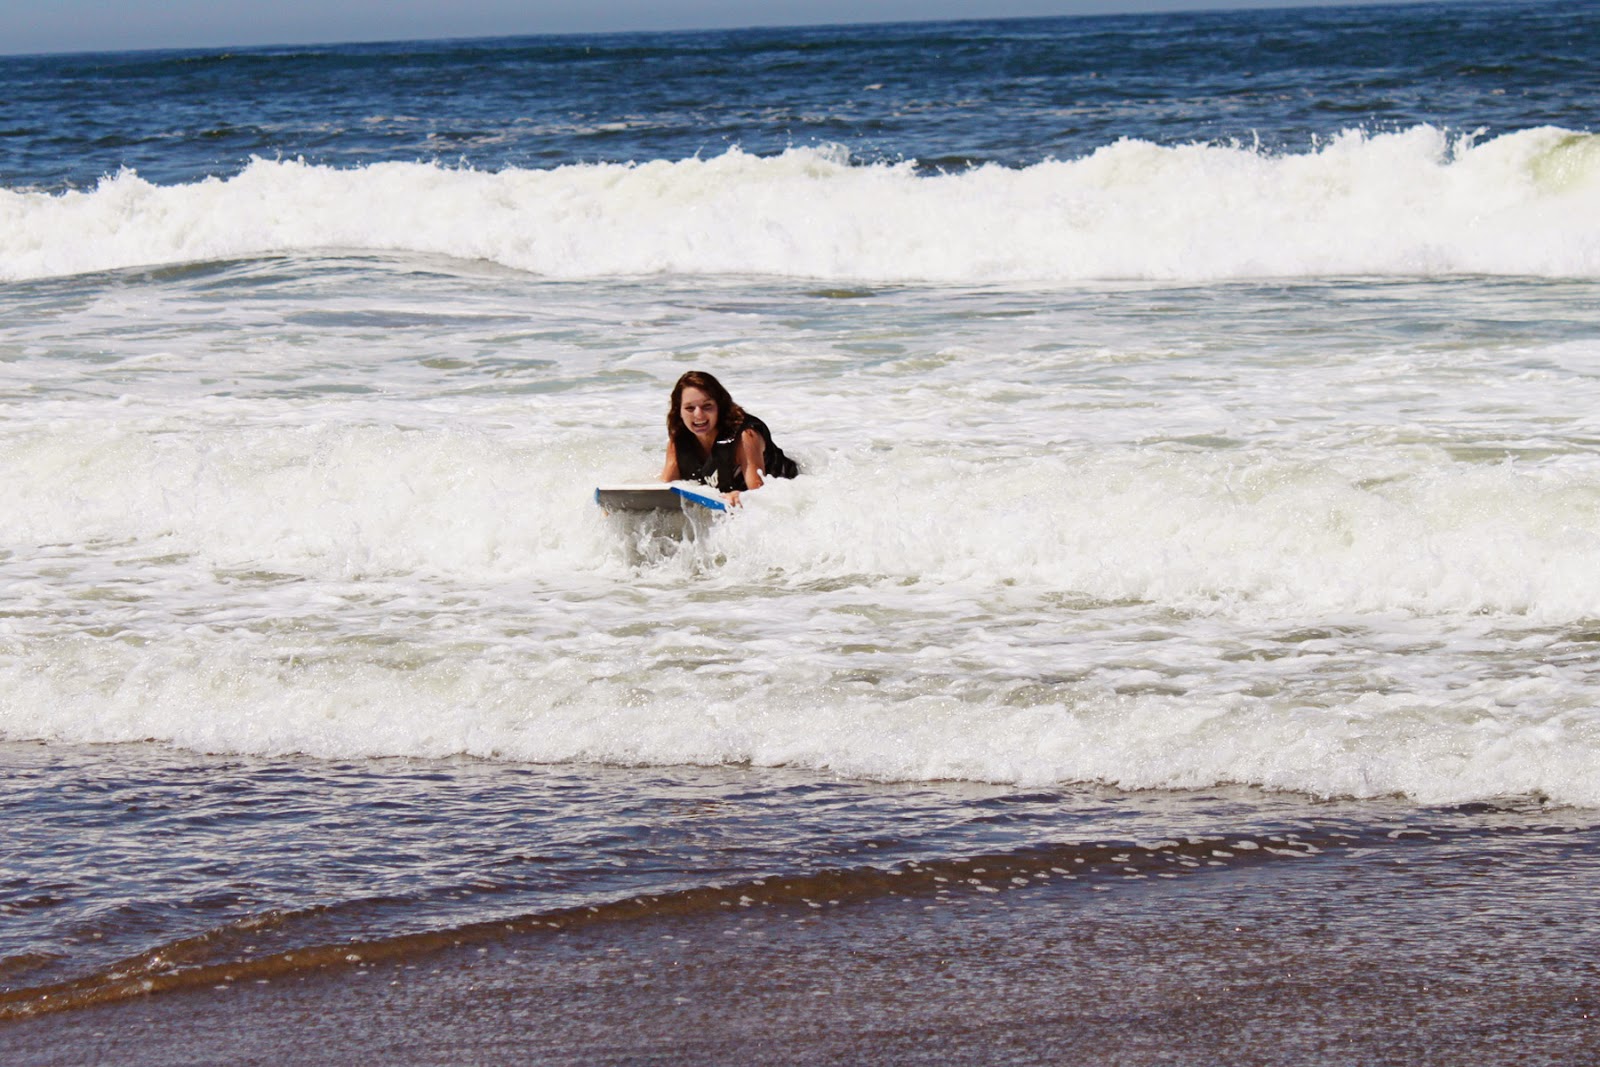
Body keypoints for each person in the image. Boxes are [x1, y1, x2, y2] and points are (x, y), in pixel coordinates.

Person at [660, 370, 798, 503]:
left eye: (707, 406)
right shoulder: (678, 442)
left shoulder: (745, 436)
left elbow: (759, 494)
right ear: (679, 411)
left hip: (790, 495)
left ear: (719, 406)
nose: (698, 415)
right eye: (689, 408)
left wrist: (742, 496)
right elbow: (664, 489)